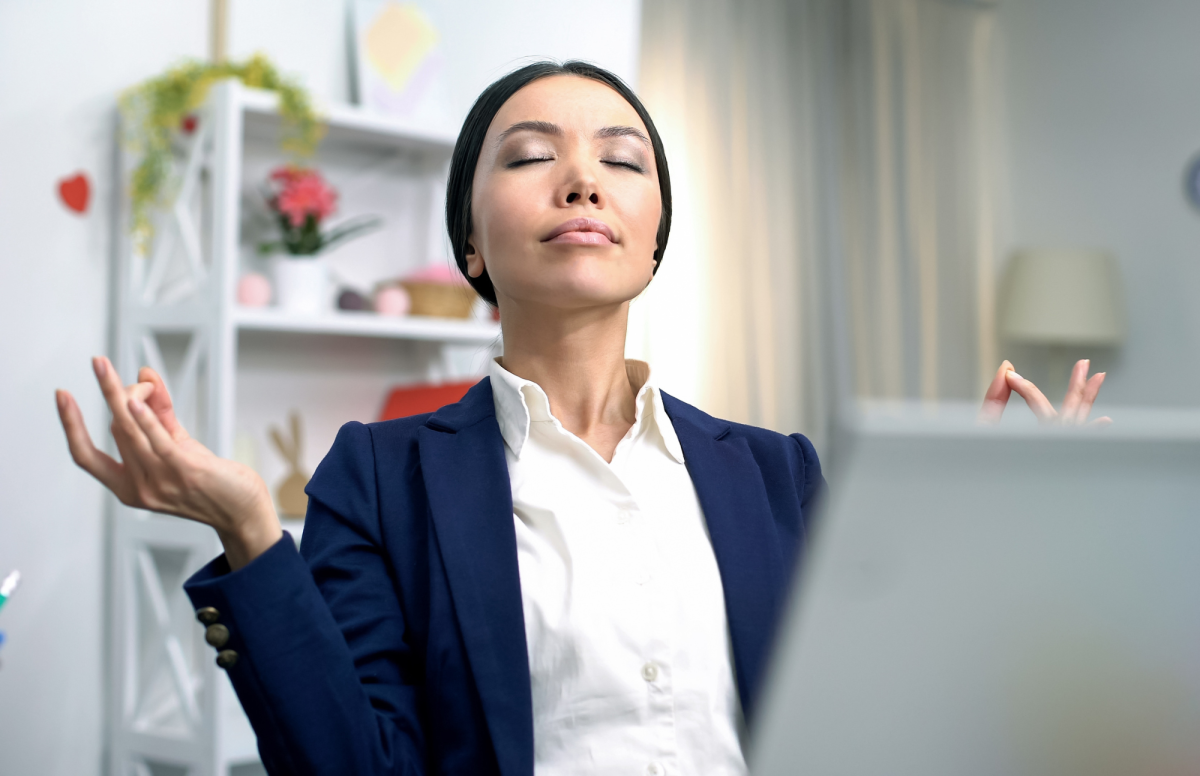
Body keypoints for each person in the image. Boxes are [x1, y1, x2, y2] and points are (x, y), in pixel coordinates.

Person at [55, 61, 1109, 775]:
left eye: (622, 158)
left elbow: (882, 721)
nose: (580, 180)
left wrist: (991, 529)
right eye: (527, 156)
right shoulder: (378, 476)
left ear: (653, 240)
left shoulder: (778, 473)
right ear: (471, 246)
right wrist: (247, 529)